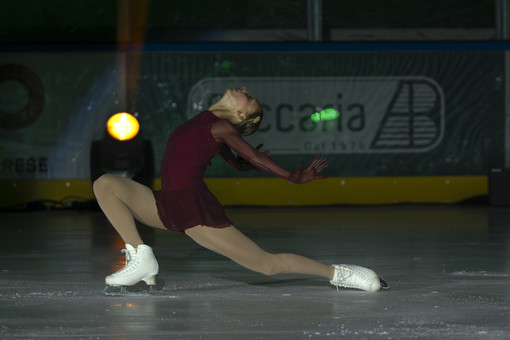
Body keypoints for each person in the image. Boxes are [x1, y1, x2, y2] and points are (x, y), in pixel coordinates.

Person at [93, 87, 387, 293]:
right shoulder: (208, 122)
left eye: (249, 97)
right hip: (165, 203)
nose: (245, 89)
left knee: (267, 264)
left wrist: (291, 177)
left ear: (241, 115)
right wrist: (236, 165)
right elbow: (223, 154)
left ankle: (342, 273)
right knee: (106, 184)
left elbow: (255, 156)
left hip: (194, 210)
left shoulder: (222, 127)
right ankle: (140, 254)